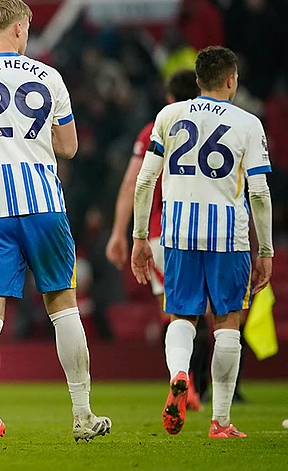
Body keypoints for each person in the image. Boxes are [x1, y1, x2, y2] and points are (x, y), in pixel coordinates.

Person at [0, 0, 111, 445]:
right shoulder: (49, 76)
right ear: (19, 28)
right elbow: (70, 145)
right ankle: (82, 415)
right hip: (44, 207)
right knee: (63, 306)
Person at [131, 45, 273, 439]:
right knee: (227, 323)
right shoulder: (248, 123)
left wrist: (140, 236)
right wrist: (266, 250)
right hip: (228, 235)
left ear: (196, 82)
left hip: (177, 232)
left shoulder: (169, 115)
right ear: (232, 79)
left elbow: (145, 182)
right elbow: (260, 194)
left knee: (181, 316)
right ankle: (221, 421)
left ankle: (180, 374)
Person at [106, 70, 205, 410]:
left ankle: (185, 381)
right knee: (215, 315)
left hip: (164, 233)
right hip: (213, 232)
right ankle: (209, 393)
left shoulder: (155, 129)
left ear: (167, 98)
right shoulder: (221, 126)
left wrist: (120, 233)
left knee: (175, 310)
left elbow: (134, 182)